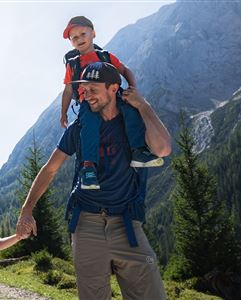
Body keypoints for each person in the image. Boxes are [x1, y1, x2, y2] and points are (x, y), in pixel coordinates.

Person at [17, 62, 171, 299]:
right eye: (84, 90)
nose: (86, 95)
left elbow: (162, 149)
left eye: (93, 89)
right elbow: (50, 169)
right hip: (86, 223)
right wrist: (27, 210)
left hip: (128, 224)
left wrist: (143, 104)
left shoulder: (134, 122)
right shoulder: (80, 127)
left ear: (113, 88)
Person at [60, 16, 163, 190]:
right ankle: (88, 168)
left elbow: (124, 70)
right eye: (74, 38)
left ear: (93, 33)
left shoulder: (106, 56)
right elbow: (69, 90)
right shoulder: (73, 65)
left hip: (114, 95)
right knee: (89, 125)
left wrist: (132, 88)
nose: (79, 39)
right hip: (89, 100)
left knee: (131, 111)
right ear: (71, 42)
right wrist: (63, 113)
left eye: (82, 34)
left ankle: (138, 152)